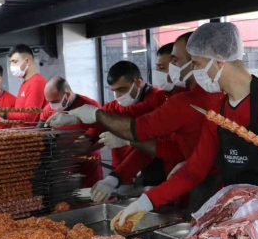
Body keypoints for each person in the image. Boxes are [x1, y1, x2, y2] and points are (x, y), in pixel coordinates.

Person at [113, 22, 258, 227]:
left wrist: (253, 201)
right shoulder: (218, 110)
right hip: (235, 215)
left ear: (218, 62)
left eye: (197, 64)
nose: (194, 71)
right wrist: (146, 201)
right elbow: (195, 170)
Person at [62, 31, 223, 211]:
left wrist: (99, 117)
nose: (170, 69)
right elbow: (130, 115)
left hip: (202, 184)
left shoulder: (186, 100)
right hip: (184, 181)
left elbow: (140, 128)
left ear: (196, 62)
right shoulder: (173, 97)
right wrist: (87, 126)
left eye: (174, 62)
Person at [49, 61, 169, 190]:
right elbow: (102, 121)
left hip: (156, 169)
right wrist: (87, 137)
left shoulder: (159, 99)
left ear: (138, 83)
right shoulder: (115, 105)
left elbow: (152, 140)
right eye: (114, 91)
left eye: (122, 89)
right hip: (122, 171)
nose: (118, 96)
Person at [38, 76, 103, 187]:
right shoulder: (48, 108)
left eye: (55, 101)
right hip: (63, 165)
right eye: (49, 102)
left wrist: (87, 145)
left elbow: (104, 135)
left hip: (88, 164)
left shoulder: (90, 106)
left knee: (91, 198)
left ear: (67, 95)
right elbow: (39, 132)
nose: (52, 106)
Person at [2, 44, 47, 124]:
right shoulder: (25, 82)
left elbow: (29, 117)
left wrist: (4, 114)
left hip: (33, 135)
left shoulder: (36, 82)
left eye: (15, 62)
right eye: (11, 62)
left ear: (27, 61)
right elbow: (22, 111)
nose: (11, 66)